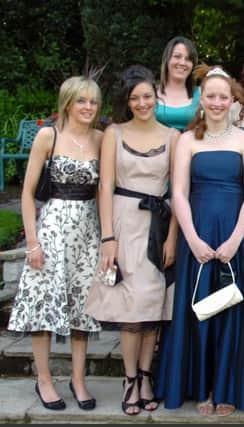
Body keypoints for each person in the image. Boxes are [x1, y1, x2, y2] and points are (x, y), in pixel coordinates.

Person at [155, 65, 244, 418]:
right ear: (202, 100)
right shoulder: (187, 140)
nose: (217, 102)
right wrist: (193, 239)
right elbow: (179, 194)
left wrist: (234, 240)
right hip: (197, 233)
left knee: (231, 307)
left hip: (237, 236)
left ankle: (228, 387)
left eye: (223, 97)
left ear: (233, 100)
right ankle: (202, 387)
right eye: (210, 96)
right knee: (201, 308)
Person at [85, 65, 179, 416]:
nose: (142, 103)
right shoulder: (113, 133)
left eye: (147, 96)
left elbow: (180, 192)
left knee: (152, 305)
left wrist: (172, 238)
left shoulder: (173, 137)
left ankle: (145, 375)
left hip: (158, 226)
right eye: (135, 98)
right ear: (127, 101)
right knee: (129, 306)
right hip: (123, 223)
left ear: (157, 95)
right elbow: (105, 186)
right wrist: (108, 237)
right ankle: (128, 380)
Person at [8, 76, 103, 411]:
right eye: (81, 101)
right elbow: (27, 193)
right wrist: (32, 242)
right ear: (67, 103)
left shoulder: (101, 139)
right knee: (43, 305)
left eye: (93, 101)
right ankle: (44, 380)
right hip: (51, 231)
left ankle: (78, 379)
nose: (88, 107)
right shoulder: (49, 135)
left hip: (88, 233)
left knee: (82, 308)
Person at [156, 36, 200, 131]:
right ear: (167, 59)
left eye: (188, 59)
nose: (182, 63)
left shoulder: (202, 94)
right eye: (177, 56)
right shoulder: (151, 92)